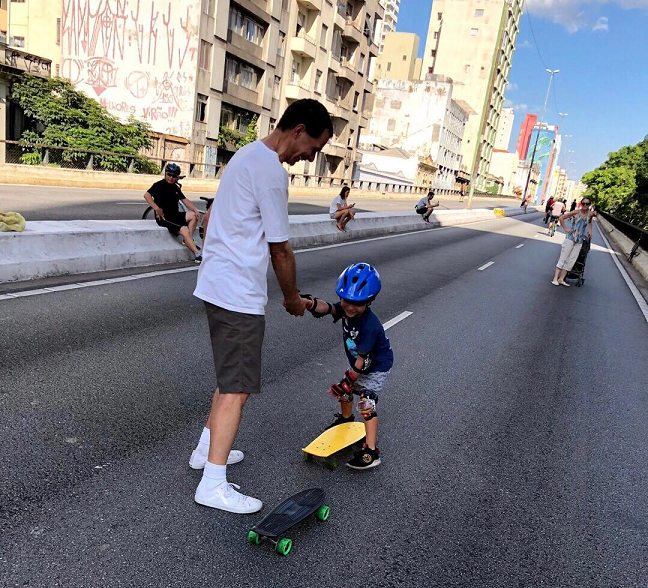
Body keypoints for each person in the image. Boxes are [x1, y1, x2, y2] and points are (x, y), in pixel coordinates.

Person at [190, 99, 333, 514]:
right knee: (237, 388)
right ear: (299, 130)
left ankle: (205, 450)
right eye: (315, 148)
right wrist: (291, 298)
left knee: (228, 378)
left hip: (218, 284)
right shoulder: (271, 171)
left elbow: (218, 216)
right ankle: (212, 483)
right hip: (237, 294)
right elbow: (281, 250)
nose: (311, 157)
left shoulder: (246, 154)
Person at [302, 263, 393, 470]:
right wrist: (307, 303)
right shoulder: (345, 309)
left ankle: (371, 451)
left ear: (369, 302)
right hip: (360, 364)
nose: (350, 307)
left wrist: (348, 381)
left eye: (357, 303)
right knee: (345, 393)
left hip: (376, 366)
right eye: (346, 300)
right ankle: (345, 419)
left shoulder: (368, 325)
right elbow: (329, 308)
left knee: (366, 403)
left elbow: (365, 362)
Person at [144, 163, 203, 263]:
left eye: (174, 176)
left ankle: (188, 240)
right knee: (184, 229)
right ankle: (197, 254)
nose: (171, 178)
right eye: (169, 175)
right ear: (165, 174)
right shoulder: (159, 185)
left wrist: (195, 210)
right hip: (164, 218)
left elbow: (184, 199)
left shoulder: (175, 188)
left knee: (193, 215)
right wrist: (156, 208)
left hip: (175, 215)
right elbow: (147, 195)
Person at [551, 197, 593, 286]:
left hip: (579, 240)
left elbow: (589, 223)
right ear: (581, 204)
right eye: (583, 203)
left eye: (587, 204)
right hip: (570, 238)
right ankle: (555, 278)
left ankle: (561, 279)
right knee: (563, 258)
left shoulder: (590, 215)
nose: (585, 205)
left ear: (589, 205)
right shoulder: (576, 212)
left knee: (571, 260)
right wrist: (565, 229)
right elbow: (562, 218)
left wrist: (590, 232)